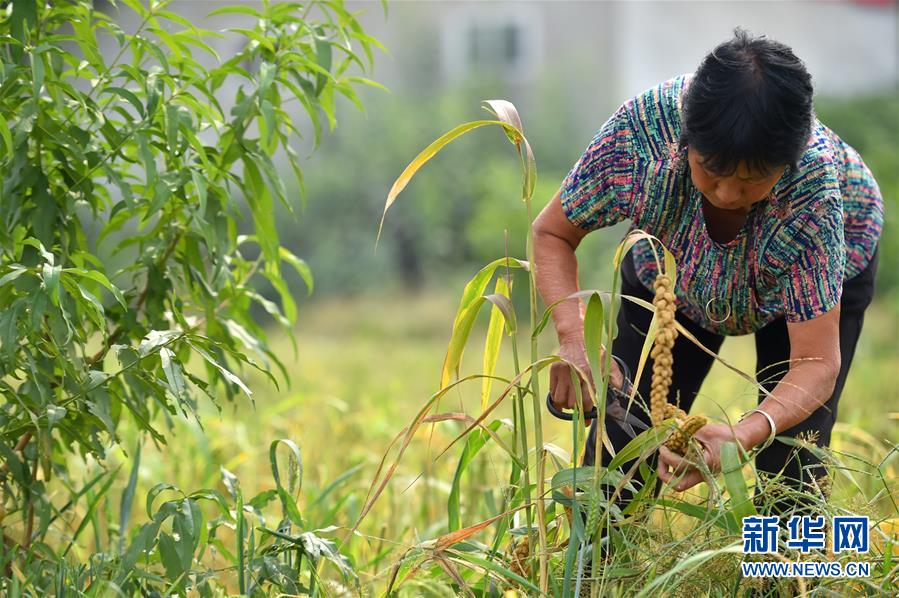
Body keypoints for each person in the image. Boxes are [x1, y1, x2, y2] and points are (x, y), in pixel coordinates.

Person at [532, 28, 883, 516]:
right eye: (710, 171)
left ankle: (788, 583)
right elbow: (552, 233)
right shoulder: (637, 140)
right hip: (671, 274)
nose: (727, 195)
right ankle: (594, 574)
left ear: (788, 163)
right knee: (620, 445)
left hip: (796, 290)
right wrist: (573, 338)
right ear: (685, 140)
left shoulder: (813, 196)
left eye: (752, 180)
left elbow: (815, 364)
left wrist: (744, 433)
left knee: (791, 467)